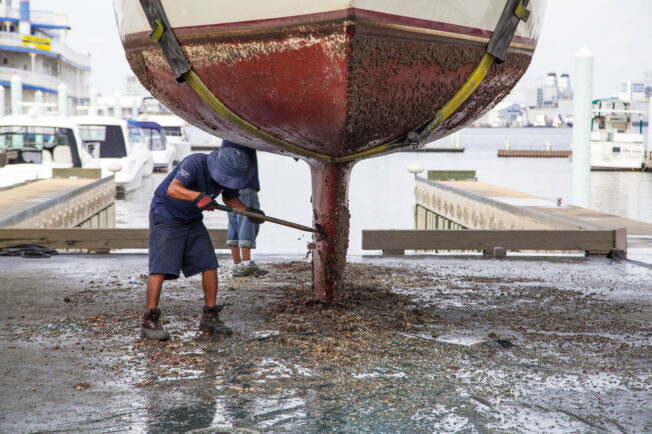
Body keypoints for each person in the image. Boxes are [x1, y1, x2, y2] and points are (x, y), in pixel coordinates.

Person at [141, 147, 265, 341]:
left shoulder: (226, 178)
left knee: (209, 264)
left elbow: (229, 198)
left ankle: (209, 316)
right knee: (160, 269)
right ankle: (149, 320)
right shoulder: (195, 163)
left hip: (191, 219)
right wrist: (198, 196)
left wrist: (249, 212)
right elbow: (172, 189)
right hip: (166, 215)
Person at [222, 140, 270, 278]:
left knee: (234, 220)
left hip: (227, 180)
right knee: (249, 218)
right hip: (244, 180)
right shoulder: (239, 133)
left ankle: (237, 265)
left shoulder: (227, 130)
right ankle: (247, 263)